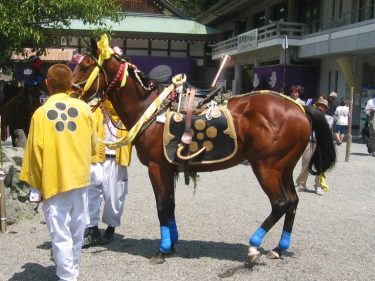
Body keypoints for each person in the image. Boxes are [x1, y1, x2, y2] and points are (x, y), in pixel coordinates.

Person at [19, 64, 97, 281]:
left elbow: (35, 151)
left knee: (60, 234)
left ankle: (67, 276)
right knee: (77, 230)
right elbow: (93, 146)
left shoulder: (40, 114)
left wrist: (36, 186)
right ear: (71, 84)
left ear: (47, 84)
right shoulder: (84, 109)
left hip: (54, 181)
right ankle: (72, 270)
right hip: (79, 179)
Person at [83, 100, 132, 247]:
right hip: (96, 158)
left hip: (116, 160)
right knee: (90, 194)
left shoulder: (126, 111)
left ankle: (111, 228)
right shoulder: (94, 108)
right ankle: (92, 229)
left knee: (114, 196)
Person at [296, 97, 333, 195]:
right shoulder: (309, 117)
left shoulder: (329, 118)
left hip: (321, 145)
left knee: (321, 167)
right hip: (310, 142)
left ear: (326, 109)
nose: (321, 108)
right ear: (316, 106)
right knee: (305, 164)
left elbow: (325, 128)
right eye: (319, 105)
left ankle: (318, 185)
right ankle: (301, 183)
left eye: (323, 106)